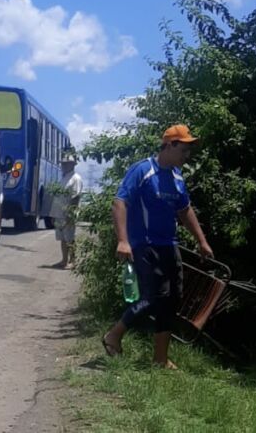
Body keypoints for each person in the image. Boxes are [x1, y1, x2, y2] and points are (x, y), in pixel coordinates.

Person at [102, 124, 214, 369]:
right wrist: (123, 240)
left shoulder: (177, 177)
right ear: (170, 145)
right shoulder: (143, 170)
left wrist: (202, 241)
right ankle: (114, 335)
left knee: (172, 300)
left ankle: (160, 359)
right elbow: (119, 203)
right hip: (144, 245)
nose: (187, 156)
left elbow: (184, 210)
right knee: (153, 298)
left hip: (169, 246)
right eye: (184, 150)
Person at [50, 151, 83, 269]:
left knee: (70, 238)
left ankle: (73, 261)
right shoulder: (64, 177)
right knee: (63, 238)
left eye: (66, 163)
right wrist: (53, 214)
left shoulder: (76, 178)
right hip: (59, 213)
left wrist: (70, 213)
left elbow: (75, 197)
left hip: (68, 213)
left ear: (72, 164)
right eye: (63, 163)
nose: (64, 165)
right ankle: (64, 260)